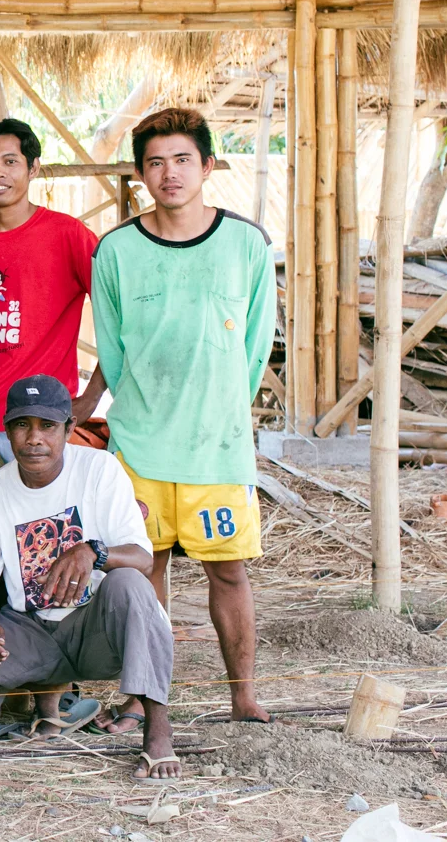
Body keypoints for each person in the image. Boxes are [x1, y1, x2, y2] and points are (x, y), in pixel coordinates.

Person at [92, 107, 276, 728]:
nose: (169, 174)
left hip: (217, 445)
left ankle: (243, 694)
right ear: (140, 172)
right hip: (140, 446)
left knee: (228, 571)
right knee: (147, 572)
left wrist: (221, 408)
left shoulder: (246, 244)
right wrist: (142, 413)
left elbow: (255, 346)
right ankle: (145, 695)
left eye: (182, 160)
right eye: (155, 162)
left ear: (208, 165)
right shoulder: (116, 250)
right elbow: (113, 353)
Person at [0, 375, 179, 781]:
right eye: (23, 425)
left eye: (47, 426)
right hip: (31, 631)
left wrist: (92, 551)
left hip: (95, 627)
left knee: (130, 584)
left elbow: (143, 558)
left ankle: (158, 731)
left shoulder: (99, 469)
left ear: (69, 429)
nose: (34, 438)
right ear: (7, 430)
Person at [0, 118, 104, 464]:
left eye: (10, 161)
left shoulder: (68, 235)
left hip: (38, 418)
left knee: (34, 517)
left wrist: (92, 397)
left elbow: (119, 318)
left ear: (33, 168)